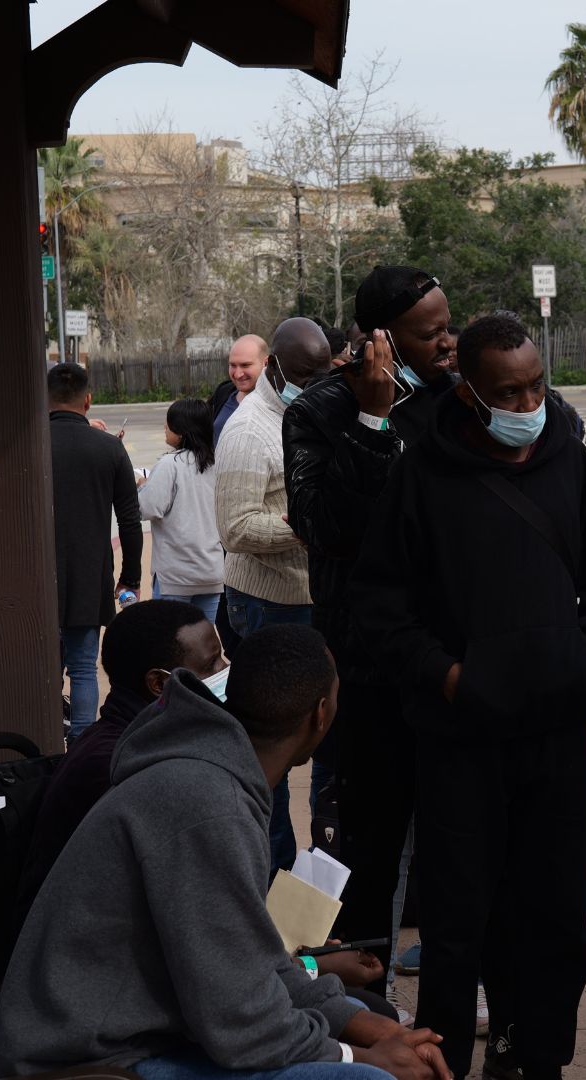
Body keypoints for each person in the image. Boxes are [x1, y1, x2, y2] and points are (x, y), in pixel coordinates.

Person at [349, 313, 586, 1080]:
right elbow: (378, 606)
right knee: (456, 920)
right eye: (508, 391)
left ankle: (531, 1055)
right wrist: (448, 676)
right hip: (458, 738)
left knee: (552, 919)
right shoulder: (419, 474)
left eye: (536, 384)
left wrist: (585, 647)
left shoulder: (570, 463)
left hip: (554, 733)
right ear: (470, 395)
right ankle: (441, 1061)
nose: (528, 402)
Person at [0, 625, 451, 1080]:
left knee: (361, 1014)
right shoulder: (208, 805)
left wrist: (375, 1030)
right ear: (321, 715)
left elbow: (253, 961)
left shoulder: (216, 774)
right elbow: (243, 1027)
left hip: (139, 1032)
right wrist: (363, 1058)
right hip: (89, 1061)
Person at [283, 265, 458, 992]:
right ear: (380, 338)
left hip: (448, 657)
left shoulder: (462, 398)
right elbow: (324, 529)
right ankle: (365, 1000)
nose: (447, 340)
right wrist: (373, 422)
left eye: (449, 323)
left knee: (456, 841)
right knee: (371, 843)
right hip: (369, 663)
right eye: (430, 331)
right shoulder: (321, 411)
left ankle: (457, 983)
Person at [13, 599, 228, 931]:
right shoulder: (120, 765)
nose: (224, 671)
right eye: (212, 664)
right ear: (159, 683)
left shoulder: (136, 738)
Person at [218, 317, 334, 872]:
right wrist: (307, 525)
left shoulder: (306, 409)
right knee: (276, 748)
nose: (316, 384)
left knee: (326, 734)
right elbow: (235, 528)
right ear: (278, 368)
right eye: (306, 375)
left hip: (313, 596)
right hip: (269, 603)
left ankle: (320, 870)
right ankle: (271, 872)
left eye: (324, 373)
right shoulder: (248, 431)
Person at [49, 361, 144, 742]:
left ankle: (47, 744)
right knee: (84, 668)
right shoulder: (109, 449)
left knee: (45, 670)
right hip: (90, 575)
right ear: (88, 400)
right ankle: (80, 749)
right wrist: (130, 577)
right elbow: (131, 523)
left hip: (39, 575)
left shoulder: (29, 445)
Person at [143, 399, 227, 623]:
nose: (165, 428)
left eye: (168, 424)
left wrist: (143, 486)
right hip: (211, 571)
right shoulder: (217, 463)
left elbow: (148, 508)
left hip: (176, 574)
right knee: (202, 640)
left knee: (171, 643)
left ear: (180, 433)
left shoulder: (170, 464)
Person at [212, 334, 269, 444]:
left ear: (265, 363)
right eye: (233, 365)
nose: (238, 374)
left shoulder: (279, 404)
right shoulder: (223, 393)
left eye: (245, 365)